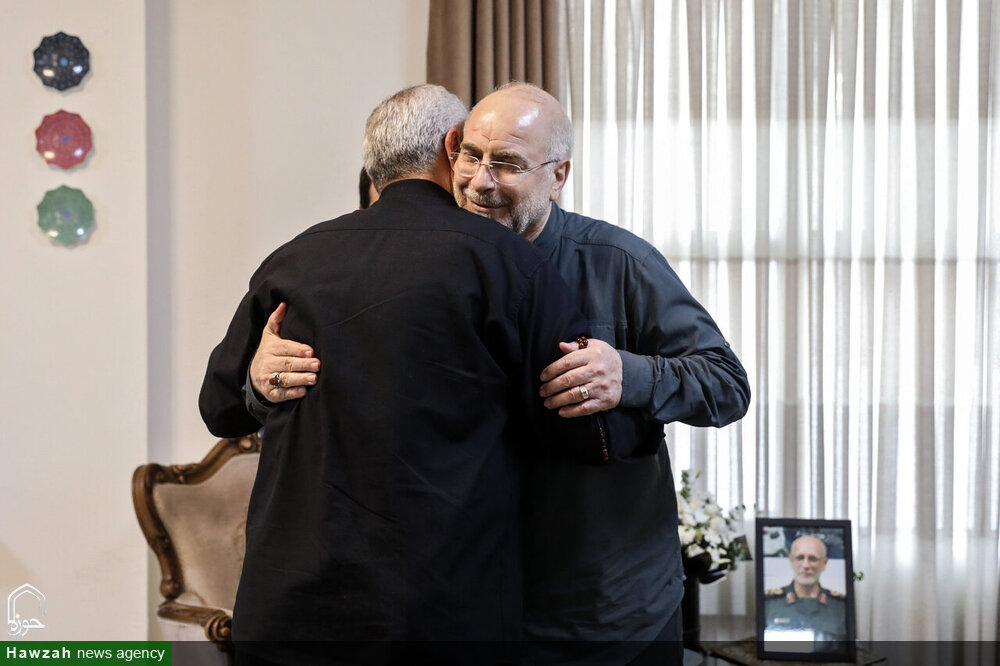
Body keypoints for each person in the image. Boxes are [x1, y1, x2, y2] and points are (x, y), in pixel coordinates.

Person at [247, 83, 751, 664]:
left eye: (507, 163)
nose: (480, 181)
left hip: (604, 612)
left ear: (559, 176)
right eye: (470, 156)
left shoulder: (618, 263)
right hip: (472, 608)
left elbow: (726, 384)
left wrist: (628, 373)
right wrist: (263, 385)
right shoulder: (424, 266)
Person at [764, 535, 848, 645]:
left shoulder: (841, 606)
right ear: (791, 561)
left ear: (824, 563)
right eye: (800, 558)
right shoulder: (769, 603)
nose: (806, 565)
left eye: (813, 559)